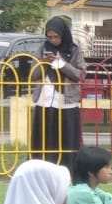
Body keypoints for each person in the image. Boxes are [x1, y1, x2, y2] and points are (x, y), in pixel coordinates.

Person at [27, 17, 85, 165]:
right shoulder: (42, 49)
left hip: (66, 102)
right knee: (43, 139)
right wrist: (44, 64)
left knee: (65, 139)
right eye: (49, 37)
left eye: (56, 37)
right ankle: (40, 167)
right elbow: (33, 75)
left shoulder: (74, 50)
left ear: (63, 35)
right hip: (44, 100)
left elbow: (79, 75)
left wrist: (59, 63)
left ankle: (67, 169)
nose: (52, 40)